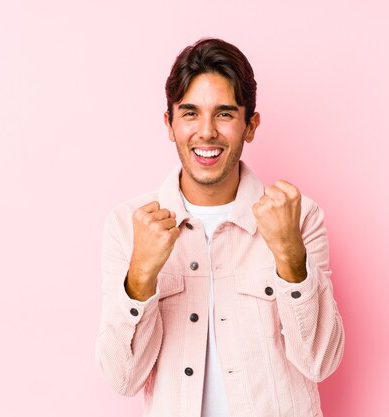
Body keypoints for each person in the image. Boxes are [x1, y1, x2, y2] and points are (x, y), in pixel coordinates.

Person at [96, 37, 344, 417]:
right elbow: (122, 379)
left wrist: (290, 255)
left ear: (250, 125)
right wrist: (141, 274)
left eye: (225, 114)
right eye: (190, 113)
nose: (207, 132)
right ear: (170, 124)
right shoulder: (128, 225)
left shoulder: (300, 216)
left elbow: (320, 363)